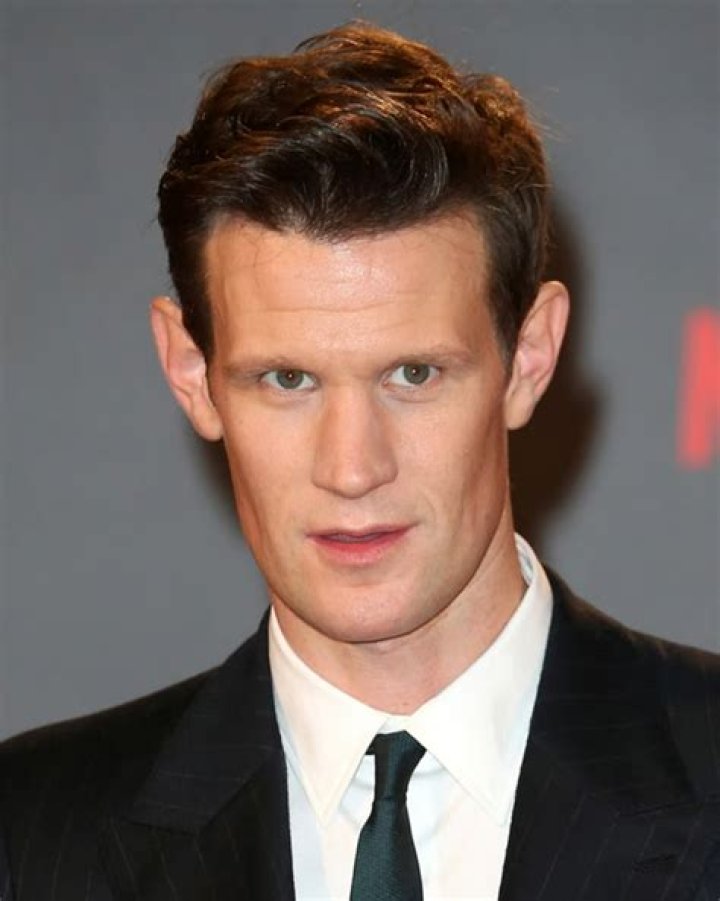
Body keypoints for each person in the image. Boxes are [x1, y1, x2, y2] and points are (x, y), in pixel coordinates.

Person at [0, 21, 718, 901]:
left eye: (413, 375)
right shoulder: (32, 838)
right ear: (191, 373)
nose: (351, 468)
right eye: (287, 379)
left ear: (529, 358)